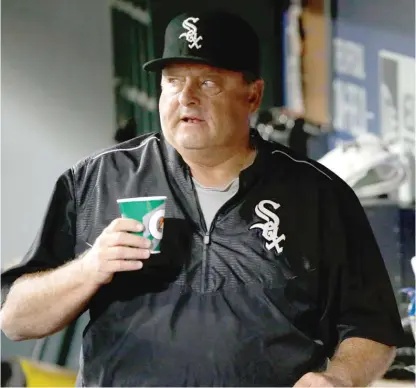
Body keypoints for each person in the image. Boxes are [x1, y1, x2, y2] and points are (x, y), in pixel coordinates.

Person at [0, 9, 404, 387]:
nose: (186, 97)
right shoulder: (97, 180)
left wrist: (339, 378)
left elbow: (372, 327)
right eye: (173, 81)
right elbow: (16, 320)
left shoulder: (318, 195)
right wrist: (90, 267)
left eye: (207, 82)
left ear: (252, 95)